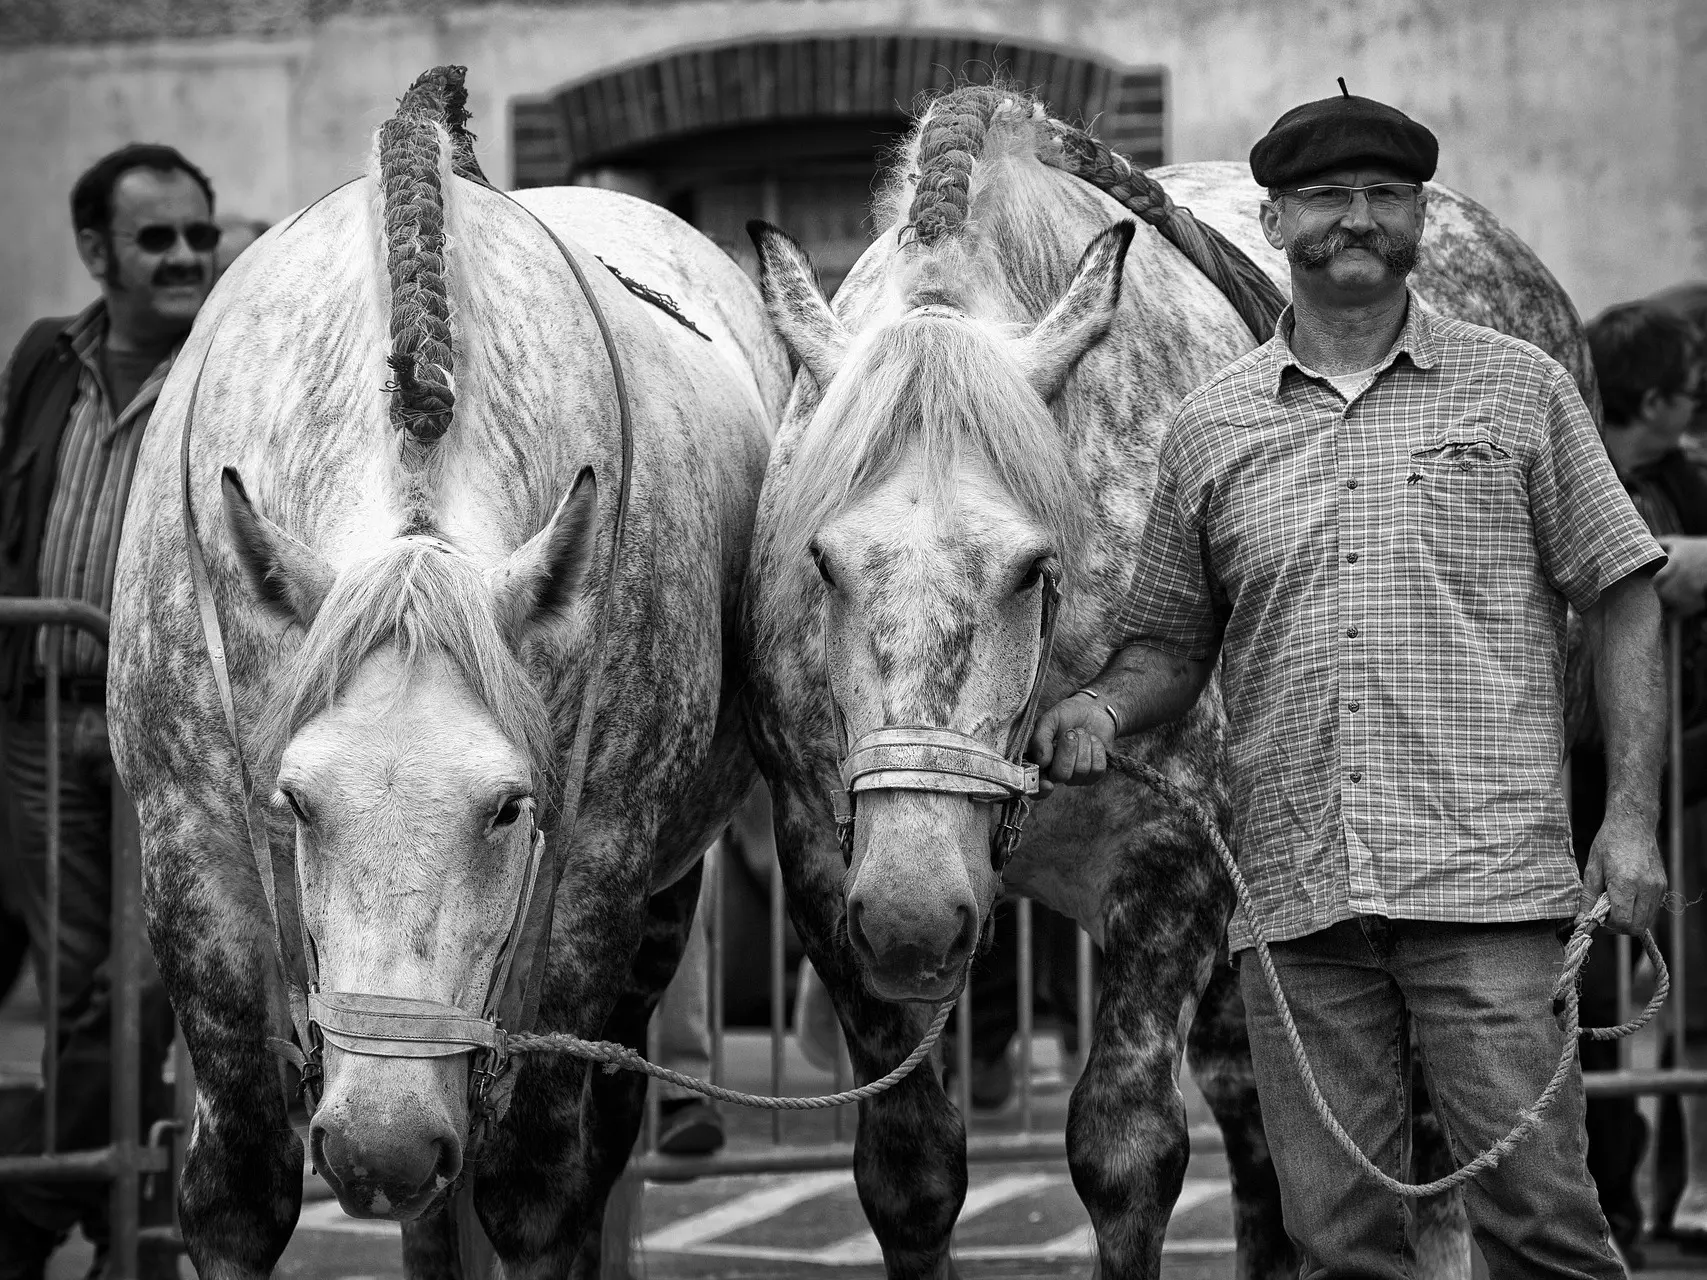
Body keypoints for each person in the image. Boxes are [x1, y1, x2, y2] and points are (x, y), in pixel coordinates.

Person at [1030, 84, 1666, 1277]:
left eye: (1385, 194)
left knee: (1544, 1232)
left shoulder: (1520, 390)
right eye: (1326, 197)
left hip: (1490, 898)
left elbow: (1625, 592)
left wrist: (1629, 821)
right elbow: (1171, 644)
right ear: (1273, 221)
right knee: (1336, 1247)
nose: (1356, 218)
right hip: (1301, 909)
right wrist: (1096, 705)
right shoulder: (1213, 429)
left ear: (1421, 215)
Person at [0, 142, 219, 1278]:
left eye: (198, 233)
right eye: (156, 238)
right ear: (96, 251)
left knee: (136, 986)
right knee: (79, 984)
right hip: (37, 721)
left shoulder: (227, 367)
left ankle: (34, 1211)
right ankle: (123, 1220)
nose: (187, 256)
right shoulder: (44, 360)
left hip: (159, 735)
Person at [1581, 300, 1707, 1258]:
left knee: (1659, 996)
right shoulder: (1582, 469)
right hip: (1589, 766)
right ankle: (1609, 1203)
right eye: (1689, 392)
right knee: (1589, 999)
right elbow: (1636, 578)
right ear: (1654, 398)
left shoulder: (1676, 476)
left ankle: (1656, 1198)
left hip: (1665, 767)